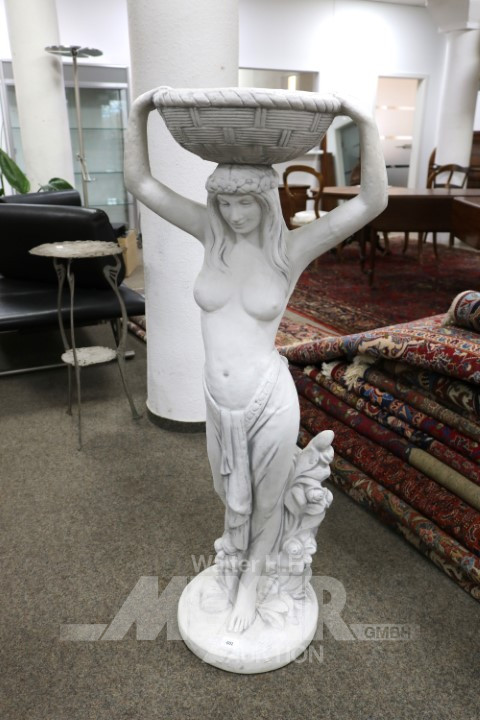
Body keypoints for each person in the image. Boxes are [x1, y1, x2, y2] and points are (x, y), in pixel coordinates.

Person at [124, 89, 387, 633]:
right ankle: (236, 565)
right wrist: (137, 112)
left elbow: (370, 203)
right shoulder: (210, 233)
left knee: (267, 501)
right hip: (217, 398)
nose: (235, 213)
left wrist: (365, 120)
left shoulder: (289, 251)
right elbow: (141, 183)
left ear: (268, 201)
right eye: (225, 203)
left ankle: (249, 587)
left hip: (268, 396)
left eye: (246, 203)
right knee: (229, 497)